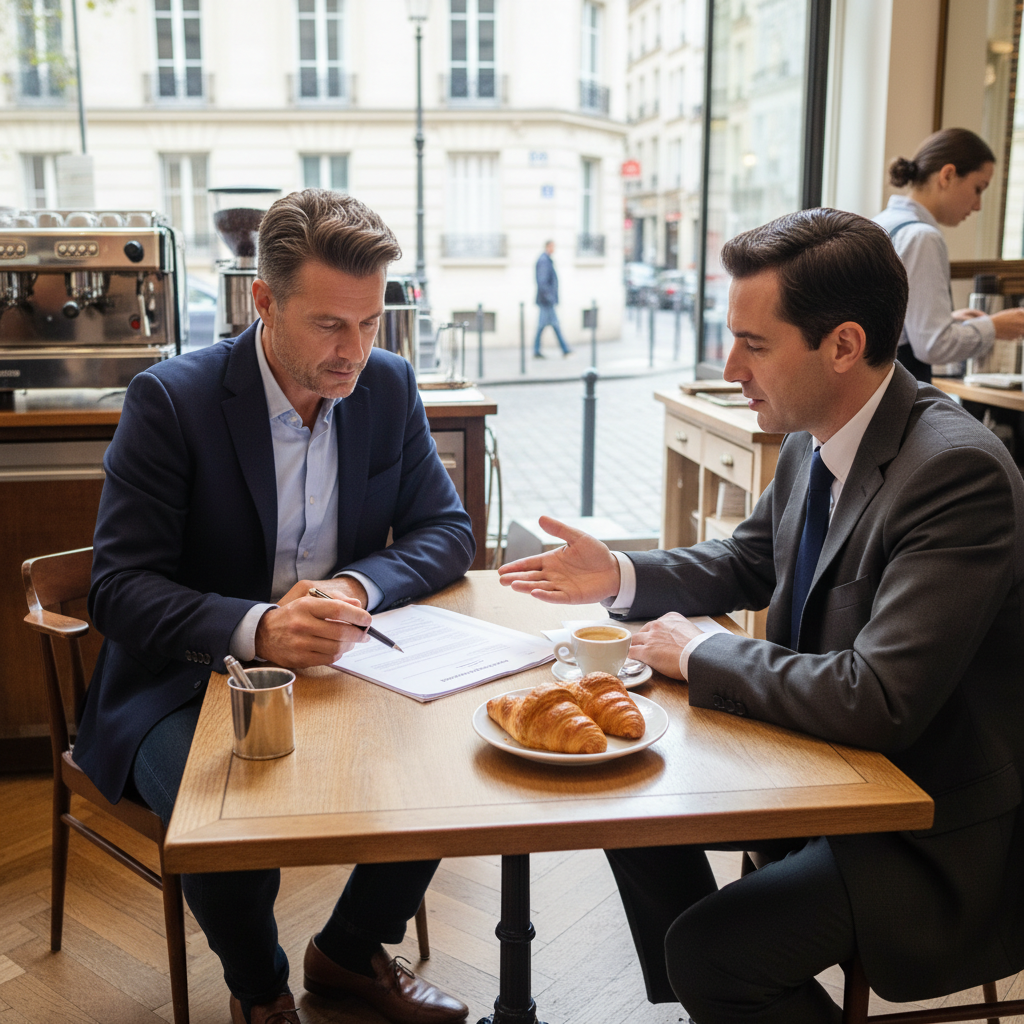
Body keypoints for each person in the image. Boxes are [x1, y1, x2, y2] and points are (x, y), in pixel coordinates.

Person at [498, 208, 1024, 1024]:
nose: (729, 365)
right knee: (618, 801)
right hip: (821, 769)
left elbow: (881, 696)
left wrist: (700, 654)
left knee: (711, 952)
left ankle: (721, 985)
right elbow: (746, 560)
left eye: (754, 343)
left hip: (927, 827)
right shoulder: (818, 435)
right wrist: (619, 572)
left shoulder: (956, 473)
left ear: (843, 345)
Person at [74, 190, 476, 1024]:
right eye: (332, 324)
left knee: (457, 765)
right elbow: (119, 587)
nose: (356, 351)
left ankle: (349, 952)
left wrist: (356, 587)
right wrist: (259, 627)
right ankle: (260, 991)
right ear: (263, 301)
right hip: (182, 680)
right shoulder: (172, 401)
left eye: (372, 323)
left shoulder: (388, 385)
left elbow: (446, 530)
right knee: (229, 814)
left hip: (343, 663)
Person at [874, 127, 1024, 382]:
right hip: (892, 385)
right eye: (978, 188)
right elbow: (933, 345)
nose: (978, 206)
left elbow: (881, 320)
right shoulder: (923, 237)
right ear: (948, 175)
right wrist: (994, 327)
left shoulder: (881, 223)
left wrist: (948, 320)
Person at [533, 240, 572, 357]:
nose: (554, 249)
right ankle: (564, 349)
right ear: (548, 247)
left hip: (546, 300)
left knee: (550, 325)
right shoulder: (544, 261)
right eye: (553, 247)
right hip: (546, 301)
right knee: (551, 325)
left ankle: (563, 349)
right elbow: (542, 282)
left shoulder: (546, 260)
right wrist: (550, 298)